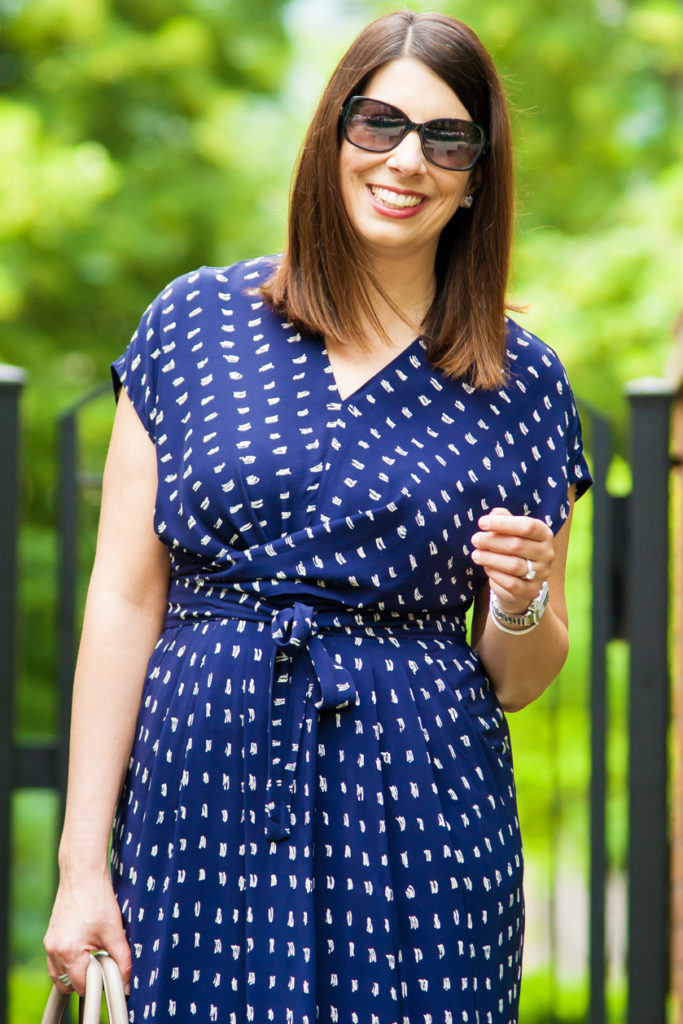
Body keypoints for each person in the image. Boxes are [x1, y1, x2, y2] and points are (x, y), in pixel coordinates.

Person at [44, 10, 591, 1023]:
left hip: (423, 814)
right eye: (378, 123)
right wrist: (83, 864)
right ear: (331, 137)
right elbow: (123, 597)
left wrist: (519, 600)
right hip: (201, 797)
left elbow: (519, 677)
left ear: (478, 172)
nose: (407, 160)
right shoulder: (192, 324)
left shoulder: (523, 384)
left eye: (446, 137)